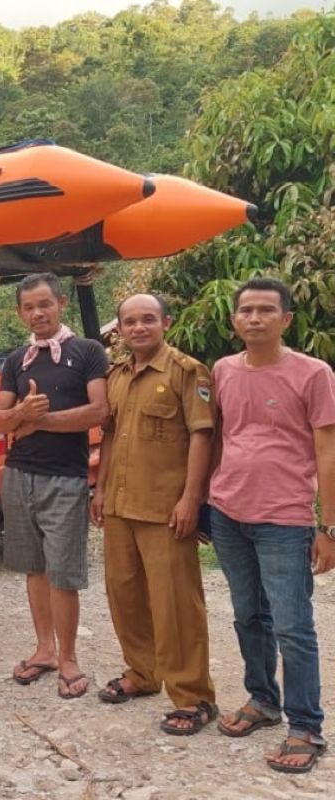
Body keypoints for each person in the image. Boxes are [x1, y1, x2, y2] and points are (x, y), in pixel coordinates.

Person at [207, 278, 335, 774]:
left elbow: (327, 451)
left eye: (266, 310)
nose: (255, 318)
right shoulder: (223, 370)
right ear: (235, 319)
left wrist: (328, 527)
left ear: (286, 320)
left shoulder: (313, 373)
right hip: (228, 512)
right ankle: (262, 700)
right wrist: (205, 500)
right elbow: (221, 436)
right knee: (247, 615)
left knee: (292, 626)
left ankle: (305, 726)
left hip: (285, 518)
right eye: (246, 310)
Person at [89, 294, 218, 735]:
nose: (139, 328)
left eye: (148, 319)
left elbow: (202, 437)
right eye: (130, 321)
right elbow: (108, 438)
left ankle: (193, 696)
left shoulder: (187, 371)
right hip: (121, 506)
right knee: (124, 595)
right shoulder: (118, 376)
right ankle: (142, 674)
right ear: (120, 330)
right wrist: (101, 488)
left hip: (166, 509)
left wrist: (191, 499)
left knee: (175, 604)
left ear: (166, 322)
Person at [0, 273, 108, 700]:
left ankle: (70, 656)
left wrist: (40, 420)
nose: (38, 313)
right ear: (21, 312)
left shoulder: (87, 352)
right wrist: (23, 410)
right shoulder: (16, 360)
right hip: (19, 474)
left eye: (45, 304)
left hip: (66, 476)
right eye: (29, 307)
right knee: (35, 567)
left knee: (63, 572)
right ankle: (45, 649)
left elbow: (99, 411)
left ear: (61, 303)